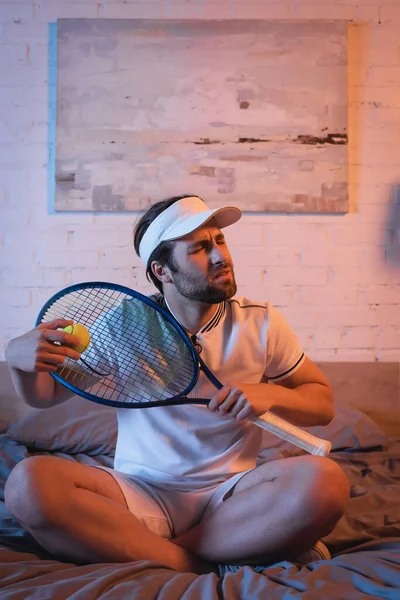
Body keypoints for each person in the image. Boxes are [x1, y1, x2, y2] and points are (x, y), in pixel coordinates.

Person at [4, 195, 349, 576]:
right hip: (139, 492)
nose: (221, 256)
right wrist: (18, 360)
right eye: (200, 248)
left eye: (220, 241)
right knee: (26, 485)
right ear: (162, 270)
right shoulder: (121, 325)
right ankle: (210, 557)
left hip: (233, 495)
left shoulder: (261, 323)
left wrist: (270, 394)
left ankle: (143, 549)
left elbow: (322, 405)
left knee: (327, 482)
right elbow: (44, 395)